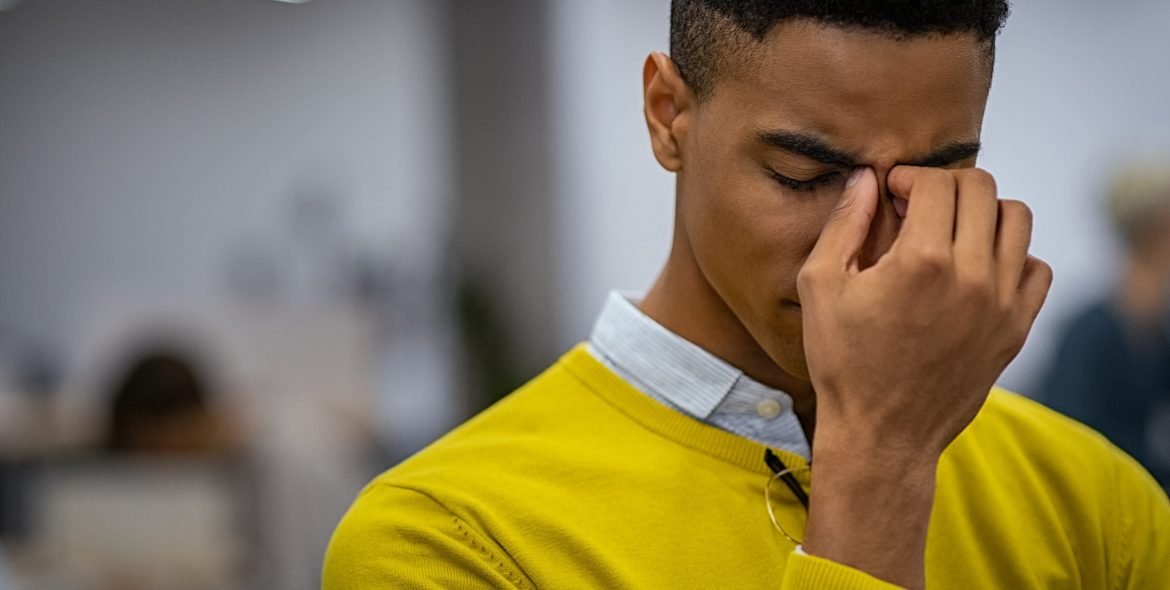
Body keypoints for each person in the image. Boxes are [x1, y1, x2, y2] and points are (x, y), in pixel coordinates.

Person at [324, 1, 1170, 588]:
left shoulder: (1095, 501)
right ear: (667, 114)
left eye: (934, 181)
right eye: (804, 175)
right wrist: (877, 464)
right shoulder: (446, 538)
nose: (873, 249)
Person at [1040, 162, 1170, 487]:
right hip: (1098, 500)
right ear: (1155, 228)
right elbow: (1066, 441)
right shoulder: (1090, 332)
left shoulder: (1155, 327)